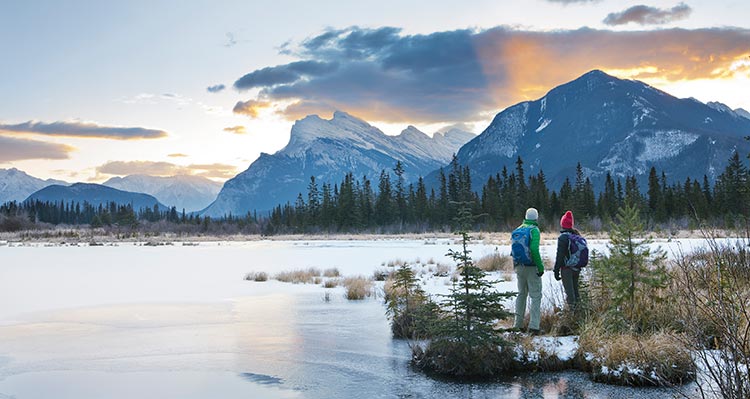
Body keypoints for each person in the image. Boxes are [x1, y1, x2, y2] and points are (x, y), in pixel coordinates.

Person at [511, 207, 544, 335]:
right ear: (536, 217)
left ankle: (517, 324)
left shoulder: (518, 229)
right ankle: (534, 326)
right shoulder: (534, 230)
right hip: (531, 267)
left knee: (521, 294)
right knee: (535, 296)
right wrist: (540, 267)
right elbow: (534, 250)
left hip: (519, 266)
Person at [554, 210, 582, 308]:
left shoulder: (563, 238)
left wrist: (556, 270)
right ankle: (579, 313)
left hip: (566, 269)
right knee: (576, 292)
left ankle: (572, 316)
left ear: (562, 224)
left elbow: (560, 255)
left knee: (570, 295)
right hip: (576, 268)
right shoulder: (576, 235)